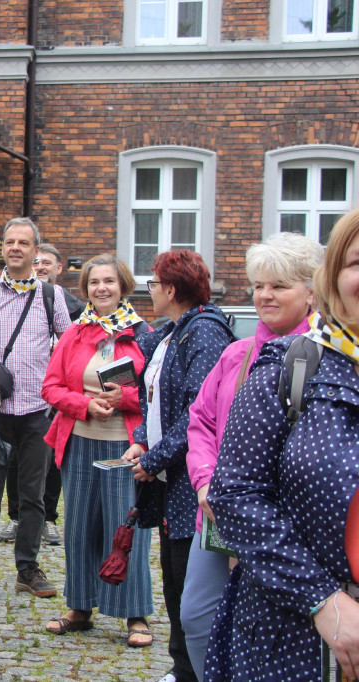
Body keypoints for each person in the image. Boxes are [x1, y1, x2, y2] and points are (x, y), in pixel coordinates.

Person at [205, 211, 359, 681]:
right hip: (292, 637)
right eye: (357, 262)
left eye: (277, 285)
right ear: (331, 278)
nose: (264, 295)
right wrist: (323, 599)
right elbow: (224, 467)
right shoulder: (285, 369)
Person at [181, 233, 322, 680]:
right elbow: (200, 422)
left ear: (312, 290)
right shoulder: (236, 354)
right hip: (219, 518)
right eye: (259, 285)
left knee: (279, 634)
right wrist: (205, 482)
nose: (264, 295)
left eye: (279, 285)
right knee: (197, 617)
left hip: (286, 528)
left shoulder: (327, 359)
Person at [123, 250, 235, 682]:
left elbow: (195, 414)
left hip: (194, 482)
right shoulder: (174, 332)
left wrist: (155, 458)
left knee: (192, 586)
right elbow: (155, 401)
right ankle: (181, 667)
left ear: (171, 289)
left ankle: (196, 670)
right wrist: (141, 442)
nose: (149, 290)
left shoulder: (204, 335)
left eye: (153, 283)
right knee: (175, 579)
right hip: (173, 479)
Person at [41, 254, 153, 646]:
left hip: (126, 445)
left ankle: (134, 612)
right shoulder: (74, 333)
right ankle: (81, 607)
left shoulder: (143, 334)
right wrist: (84, 404)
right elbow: (51, 387)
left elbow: (158, 394)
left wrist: (126, 398)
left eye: (108, 281)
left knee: (126, 528)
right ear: (85, 289)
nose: (101, 288)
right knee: (79, 529)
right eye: (93, 283)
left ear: (122, 285)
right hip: (80, 441)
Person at [0, 217, 71, 600]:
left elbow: (67, 342)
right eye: (10, 241)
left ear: (36, 251)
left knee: (33, 495)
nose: (15, 248)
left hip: (37, 411)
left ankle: (27, 567)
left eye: (23, 243)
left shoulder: (50, 296)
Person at [33, 242, 84, 547]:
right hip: (25, 390)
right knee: (18, 459)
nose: (41, 267)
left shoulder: (74, 306)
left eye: (47, 263)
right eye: (37, 262)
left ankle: (49, 518)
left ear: (58, 269)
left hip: (59, 392)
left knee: (52, 458)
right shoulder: (19, 298)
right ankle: (16, 516)